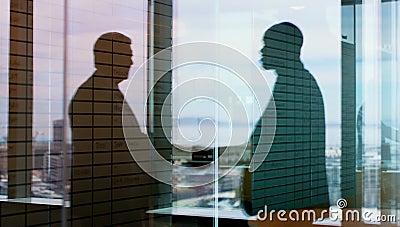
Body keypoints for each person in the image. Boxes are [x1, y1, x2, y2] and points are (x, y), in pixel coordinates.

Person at [69, 32, 160, 226]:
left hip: (113, 200)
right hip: (108, 203)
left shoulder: (104, 92)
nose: (131, 62)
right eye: (127, 56)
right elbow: (119, 146)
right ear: (110, 58)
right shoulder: (94, 95)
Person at [243, 22, 330, 215]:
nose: (262, 51)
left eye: (268, 44)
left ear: (283, 48)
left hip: (288, 202)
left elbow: (277, 145)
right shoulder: (295, 83)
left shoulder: (295, 85)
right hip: (289, 201)